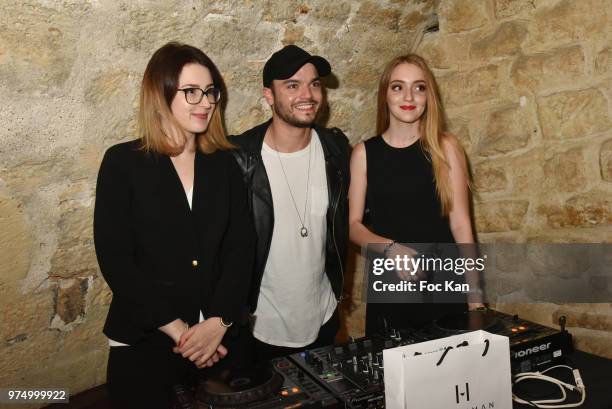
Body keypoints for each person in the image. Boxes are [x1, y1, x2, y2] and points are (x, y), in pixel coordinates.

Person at [94, 42, 254, 409]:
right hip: (146, 340)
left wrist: (219, 321)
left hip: (221, 340)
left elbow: (241, 246)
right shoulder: (123, 163)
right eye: (191, 91)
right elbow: (116, 259)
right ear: (160, 93)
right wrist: (182, 333)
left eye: (211, 91)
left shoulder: (225, 164)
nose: (206, 102)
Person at [229, 45, 350, 361]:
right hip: (259, 328)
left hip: (323, 319)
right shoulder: (240, 159)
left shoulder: (336, 150)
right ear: (269, 95)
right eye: (292, 85)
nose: (307, 94)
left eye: (314, 83)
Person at [347, 54, 483, 335]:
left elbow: (461, 226)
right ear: (385, 94)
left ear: (428, 96)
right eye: (398, 87)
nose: (409, 95)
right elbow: (353, 227)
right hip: (391, 291)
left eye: (419, 87)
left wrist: (475, 296)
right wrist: (389, 247)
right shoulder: (364, 154)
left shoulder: (446, 147)